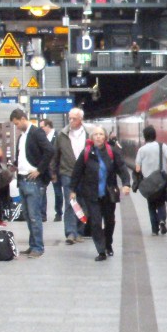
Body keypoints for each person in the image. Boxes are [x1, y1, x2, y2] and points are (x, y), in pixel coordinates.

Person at [68, 125, 131, 262]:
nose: (98, 136)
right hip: (91, 194)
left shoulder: (112, 152)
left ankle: (108, 243)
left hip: (109, 194)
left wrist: (126, 183)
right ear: (91, 137)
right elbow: (77, 172)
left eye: (101, 134)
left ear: (105, 137)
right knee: (96, 223)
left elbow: (121, 168)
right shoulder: (86, 153)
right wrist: (72, 189)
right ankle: (101, 250)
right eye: (95, 134)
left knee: (109, 221)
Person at [10, 108, 53, 258]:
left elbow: (49, 150)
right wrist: (15, 164)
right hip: (22, 179)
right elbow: (24, 154)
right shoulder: (23, 136)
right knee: (28, 215)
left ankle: (38, 247)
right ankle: (32, 244)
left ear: (22, 119)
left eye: (16, 123)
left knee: (34, 215)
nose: (16, 126)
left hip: (33, 180)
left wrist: (39, 170)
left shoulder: (36, 133)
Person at [52, 107, 90, 244]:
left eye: (74, 118)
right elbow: (55, 154)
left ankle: (80, 231)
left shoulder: (88, 134)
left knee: (84, 203)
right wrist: (53, 172)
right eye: (70, 118)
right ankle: (70, 233)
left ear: (81, 120)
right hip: (67, 172)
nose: (71, 121)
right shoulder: (62, 135)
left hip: (85, 174)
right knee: (70, 203)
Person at [134, 125, 167, 236]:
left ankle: (154, 230)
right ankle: (162, 220)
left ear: (144, 137)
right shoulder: (162, 146)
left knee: (151, 206)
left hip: (148, 182)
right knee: (161, 202)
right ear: (155, 135)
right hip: (160, 181)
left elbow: (137, 168)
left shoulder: (141, 150)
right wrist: (166, 170)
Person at [40, 119, 62, 223]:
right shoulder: (42, 137)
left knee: (58, 192)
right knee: (42, 191)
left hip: (55, 169)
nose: (41, 129)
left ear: (48, 126)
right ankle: (42, 214)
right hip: (44, 169)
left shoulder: (57, 136)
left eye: (42, 127)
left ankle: (59, 213)